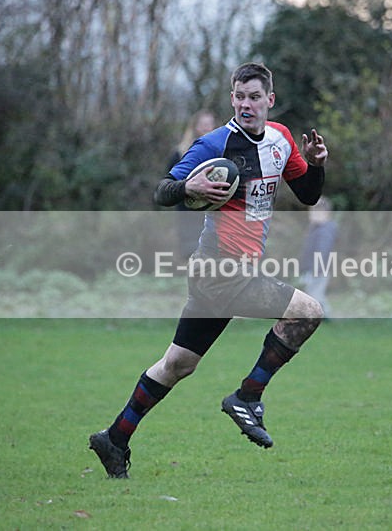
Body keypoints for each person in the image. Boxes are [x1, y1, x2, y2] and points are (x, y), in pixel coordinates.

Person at [89, 62, 329, 478]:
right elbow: (163, 190)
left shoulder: (281, 139)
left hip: (222, 273)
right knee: (308, 312)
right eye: (239, 96)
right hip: (221, 271)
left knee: (177, 364)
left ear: (270, 100)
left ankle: (115, 438)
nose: (246, 104)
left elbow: (307, 194)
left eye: (254, 97)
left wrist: (316, 164)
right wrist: (188, 188)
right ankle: (248, 397)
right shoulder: (214, 143)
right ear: (231, 98)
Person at [167, 110, 217, 261]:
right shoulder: (180, 153)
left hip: (213, 212)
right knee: (193, 255)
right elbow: (170, 183)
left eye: (210, 125)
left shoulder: (220, 151)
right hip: (188, 212)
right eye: (203, 125)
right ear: (195, 127)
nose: (207, 128)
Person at [300, 197, 338, 317]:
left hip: (319, 268)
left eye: (315, 212)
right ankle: (324, 315)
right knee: (315, 293)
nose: (311, 215)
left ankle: (323, 316)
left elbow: (323, 250)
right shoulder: (316, 229)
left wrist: (317, 267)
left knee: (315, 295)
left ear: (325, 213)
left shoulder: (325, 230)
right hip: (313, 267)